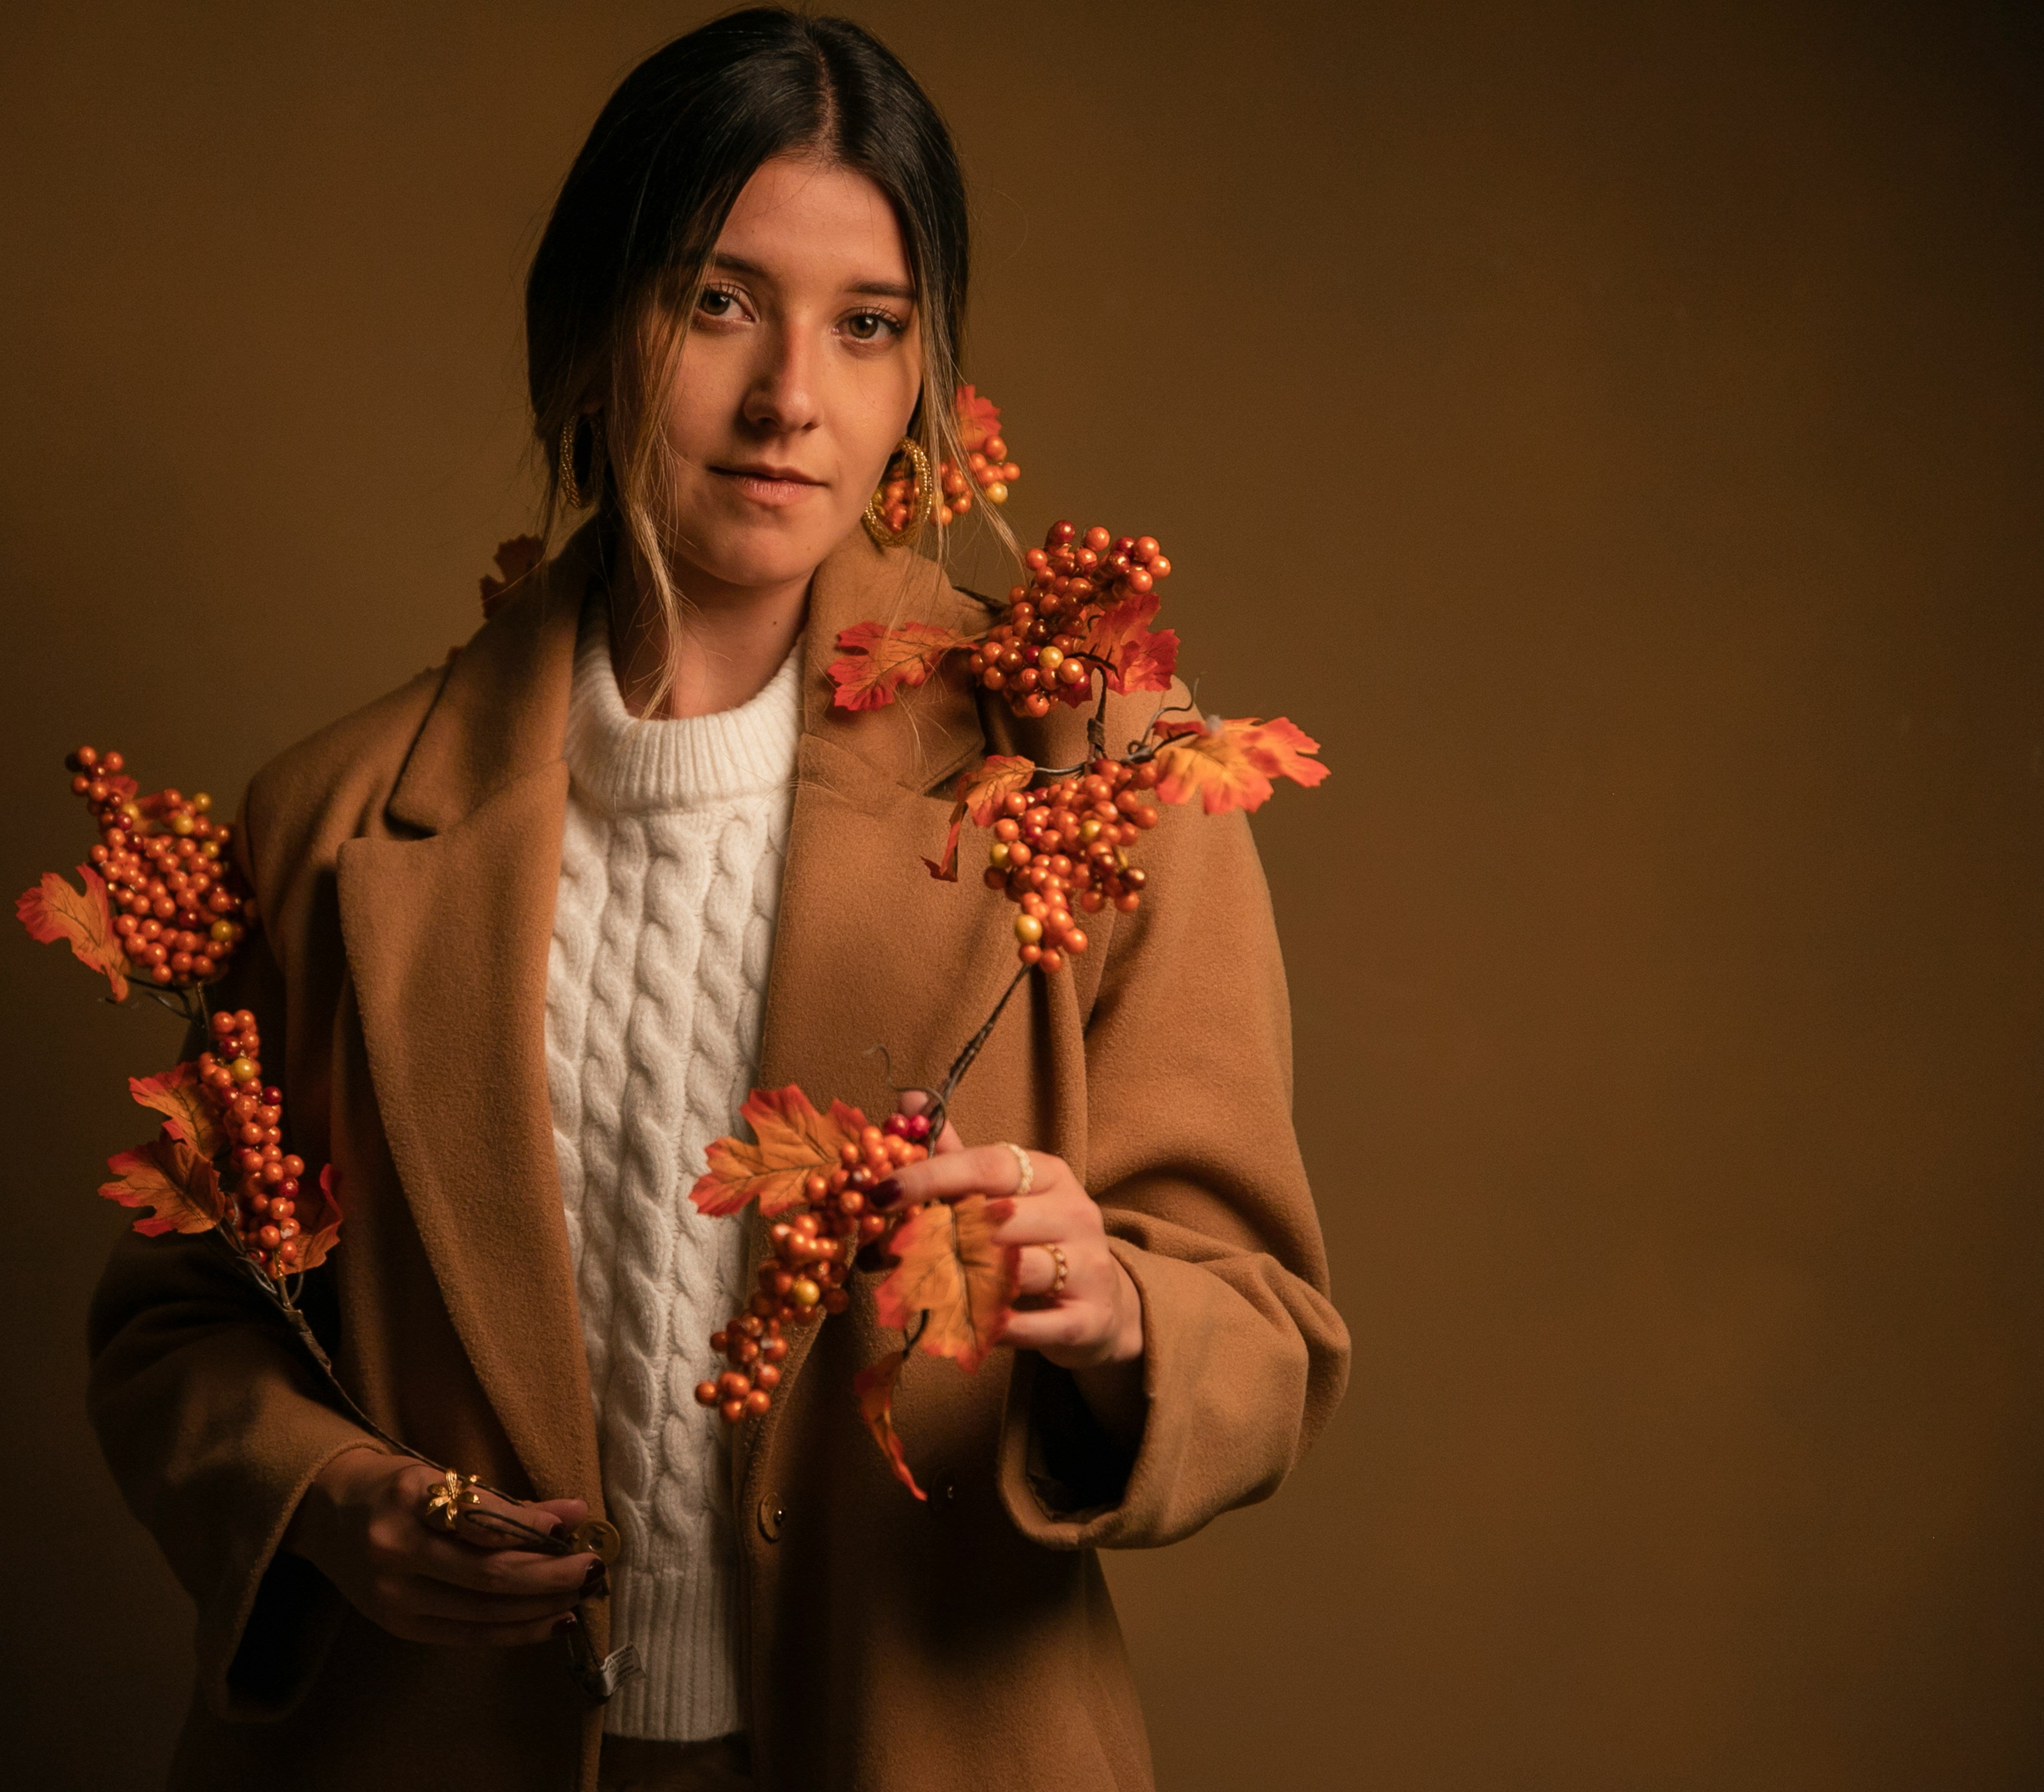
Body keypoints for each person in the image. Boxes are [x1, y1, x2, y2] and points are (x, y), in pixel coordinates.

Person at [87, 12, 1348, 1790]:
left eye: (865, 326)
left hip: (917, 1727)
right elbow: (175, 1325)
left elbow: (1268, 1330)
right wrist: (327, 1502)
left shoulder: (1094, 774)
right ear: (589, 328)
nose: (789, 402)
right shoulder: (333, 826)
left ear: (920, 375)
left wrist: (1119, 1309)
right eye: (717, 302)